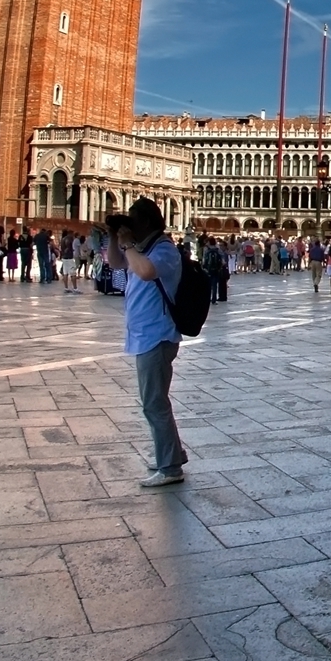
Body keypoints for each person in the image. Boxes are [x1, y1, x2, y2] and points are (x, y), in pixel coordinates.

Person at [105, 197, 188, 488]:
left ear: (147, 222)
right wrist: (115, 238)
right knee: (155, 401)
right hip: (145, 334)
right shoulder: (141, 248)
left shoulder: (164, 248)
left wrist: (128, 244)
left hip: (158, 334)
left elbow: (146, 271)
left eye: (134, 220)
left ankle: (170, 467)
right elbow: (116, 263)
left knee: (154, 403)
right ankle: (172, 454)